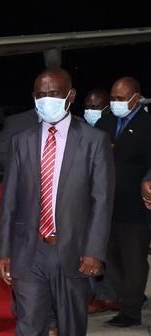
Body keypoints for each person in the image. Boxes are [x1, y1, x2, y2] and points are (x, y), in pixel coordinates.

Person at [0, 68, 115, 336]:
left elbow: (102, 201)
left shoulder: (94, 141)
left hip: (75, 253)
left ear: (70, 96)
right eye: (40, 94)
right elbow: (9, 200)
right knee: (28, 334)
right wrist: (4, 251)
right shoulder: (21, 141)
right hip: (30, 252)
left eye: (53, 94)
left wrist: (94, 250)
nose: (46, 100)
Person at [95, 76, 151, 328]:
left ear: (136, 98)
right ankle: (130, 299)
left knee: (133, 259)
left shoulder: (147, 124)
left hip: (135, 206)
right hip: (105, 205)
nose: (115, 104)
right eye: (113, 99)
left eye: (120, 99)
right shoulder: (105, 122)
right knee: (108, 257)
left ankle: (131, 310)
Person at [82, 89, 120, 314]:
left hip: (113, 203)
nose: (91, 111)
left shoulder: (114, 131)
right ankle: (99, 295)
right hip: (88, 204)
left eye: (96, 107)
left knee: (109, 253)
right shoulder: (83, 131)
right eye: (88, 106)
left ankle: (111, 295)